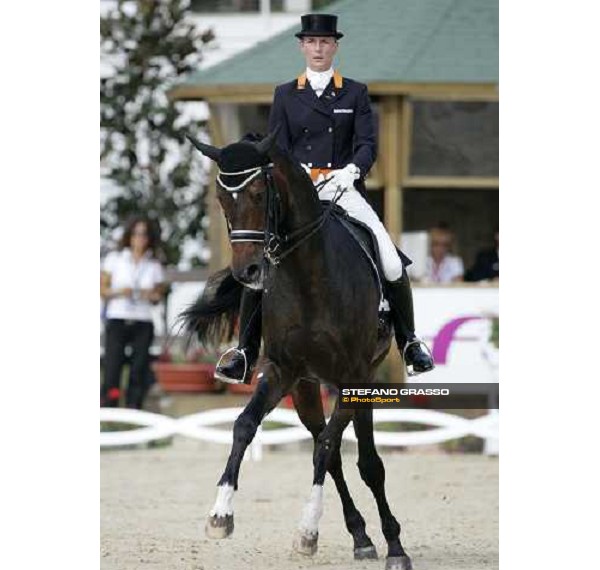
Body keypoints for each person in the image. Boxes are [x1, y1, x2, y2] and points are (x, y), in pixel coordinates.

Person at [215, 13, 434, 383]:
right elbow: (277, 147)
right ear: (303, 46)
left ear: (334, 46)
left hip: (343, 189)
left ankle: (410, 341)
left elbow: (367, 144)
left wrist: (351, 171)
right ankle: (245, 352)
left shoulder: (355, 92)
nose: (318, 48)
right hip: (299, 194)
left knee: (390, 259)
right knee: (264, 263)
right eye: (312, 42)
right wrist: (291, 177)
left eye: (325, 42)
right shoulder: (286, 94)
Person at [101, 216, 166, 409]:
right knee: (113, 367)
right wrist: (120, 292)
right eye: (136, 234)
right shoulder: (115, 259)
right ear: (129, 236)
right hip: (118, 318)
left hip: (142, 320)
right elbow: (102, 290)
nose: (140, 238)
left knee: (139, 368)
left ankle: (134, 408)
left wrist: (149, 295)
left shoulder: (154, 264)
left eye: (144, 234)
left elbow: (158, 296)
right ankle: (110, 407)